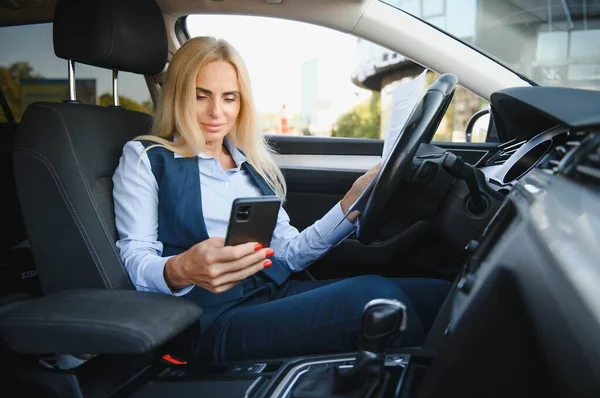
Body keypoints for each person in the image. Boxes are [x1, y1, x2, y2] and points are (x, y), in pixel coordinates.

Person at [112, 36, 451, 362]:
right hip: (208, 319)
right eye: (201, 96)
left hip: (270, 294)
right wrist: (180, 269)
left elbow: (289, 254)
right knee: (376, 298)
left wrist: (351, 203)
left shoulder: (249, 164)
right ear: (178, 96)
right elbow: (134, 256)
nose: (217, 112)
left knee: (439, 296)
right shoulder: (147, 158)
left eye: (229, 98)